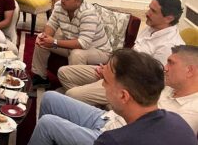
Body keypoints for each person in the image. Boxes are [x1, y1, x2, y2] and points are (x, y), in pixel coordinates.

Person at [27, 46, 198, 145]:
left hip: (115, 130)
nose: (102, 85)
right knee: (50, 98)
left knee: (47, 124)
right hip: (110, 119)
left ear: (124, 96)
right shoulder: (175, 118)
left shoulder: (112, 140)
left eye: (106, 82)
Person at [58, 0, 185, 106]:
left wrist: (113, 75)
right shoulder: (151, 28)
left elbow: (149, 82)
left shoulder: (169, 46)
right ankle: (96, 105)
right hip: (119, 72)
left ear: (169, 18)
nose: (147, 13)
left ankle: (96, 106)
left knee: (71, 94)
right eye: (149, 8)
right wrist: (110, 67)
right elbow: (131, 55)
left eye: (153, 11)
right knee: (64, 73)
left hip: (129, 87)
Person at [31, 0, 112, 88]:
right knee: (41, 39)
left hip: (98, 50)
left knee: (76, 54)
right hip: (71, 44)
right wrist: (45, 37)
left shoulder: (88, 13)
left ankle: (74, 88)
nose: (62, 0)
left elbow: (83, 43)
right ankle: (40, 77)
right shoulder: (59, 6)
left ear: (78, 1)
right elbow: (51, 25)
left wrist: (54, 42)